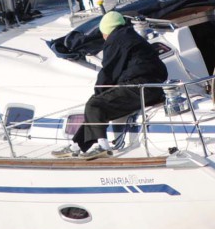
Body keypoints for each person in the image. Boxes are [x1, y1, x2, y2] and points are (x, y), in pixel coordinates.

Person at [52, 11, 168, 159]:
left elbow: (109, 72)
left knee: (94, 105)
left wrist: (99, 92)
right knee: (98, 110)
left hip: (140, 88)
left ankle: (103, 147)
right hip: (152, 89)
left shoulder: (117, 40)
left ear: (107, 30)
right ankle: (76, 146)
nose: (103, 36)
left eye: (103, 33)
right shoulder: (131, 36)